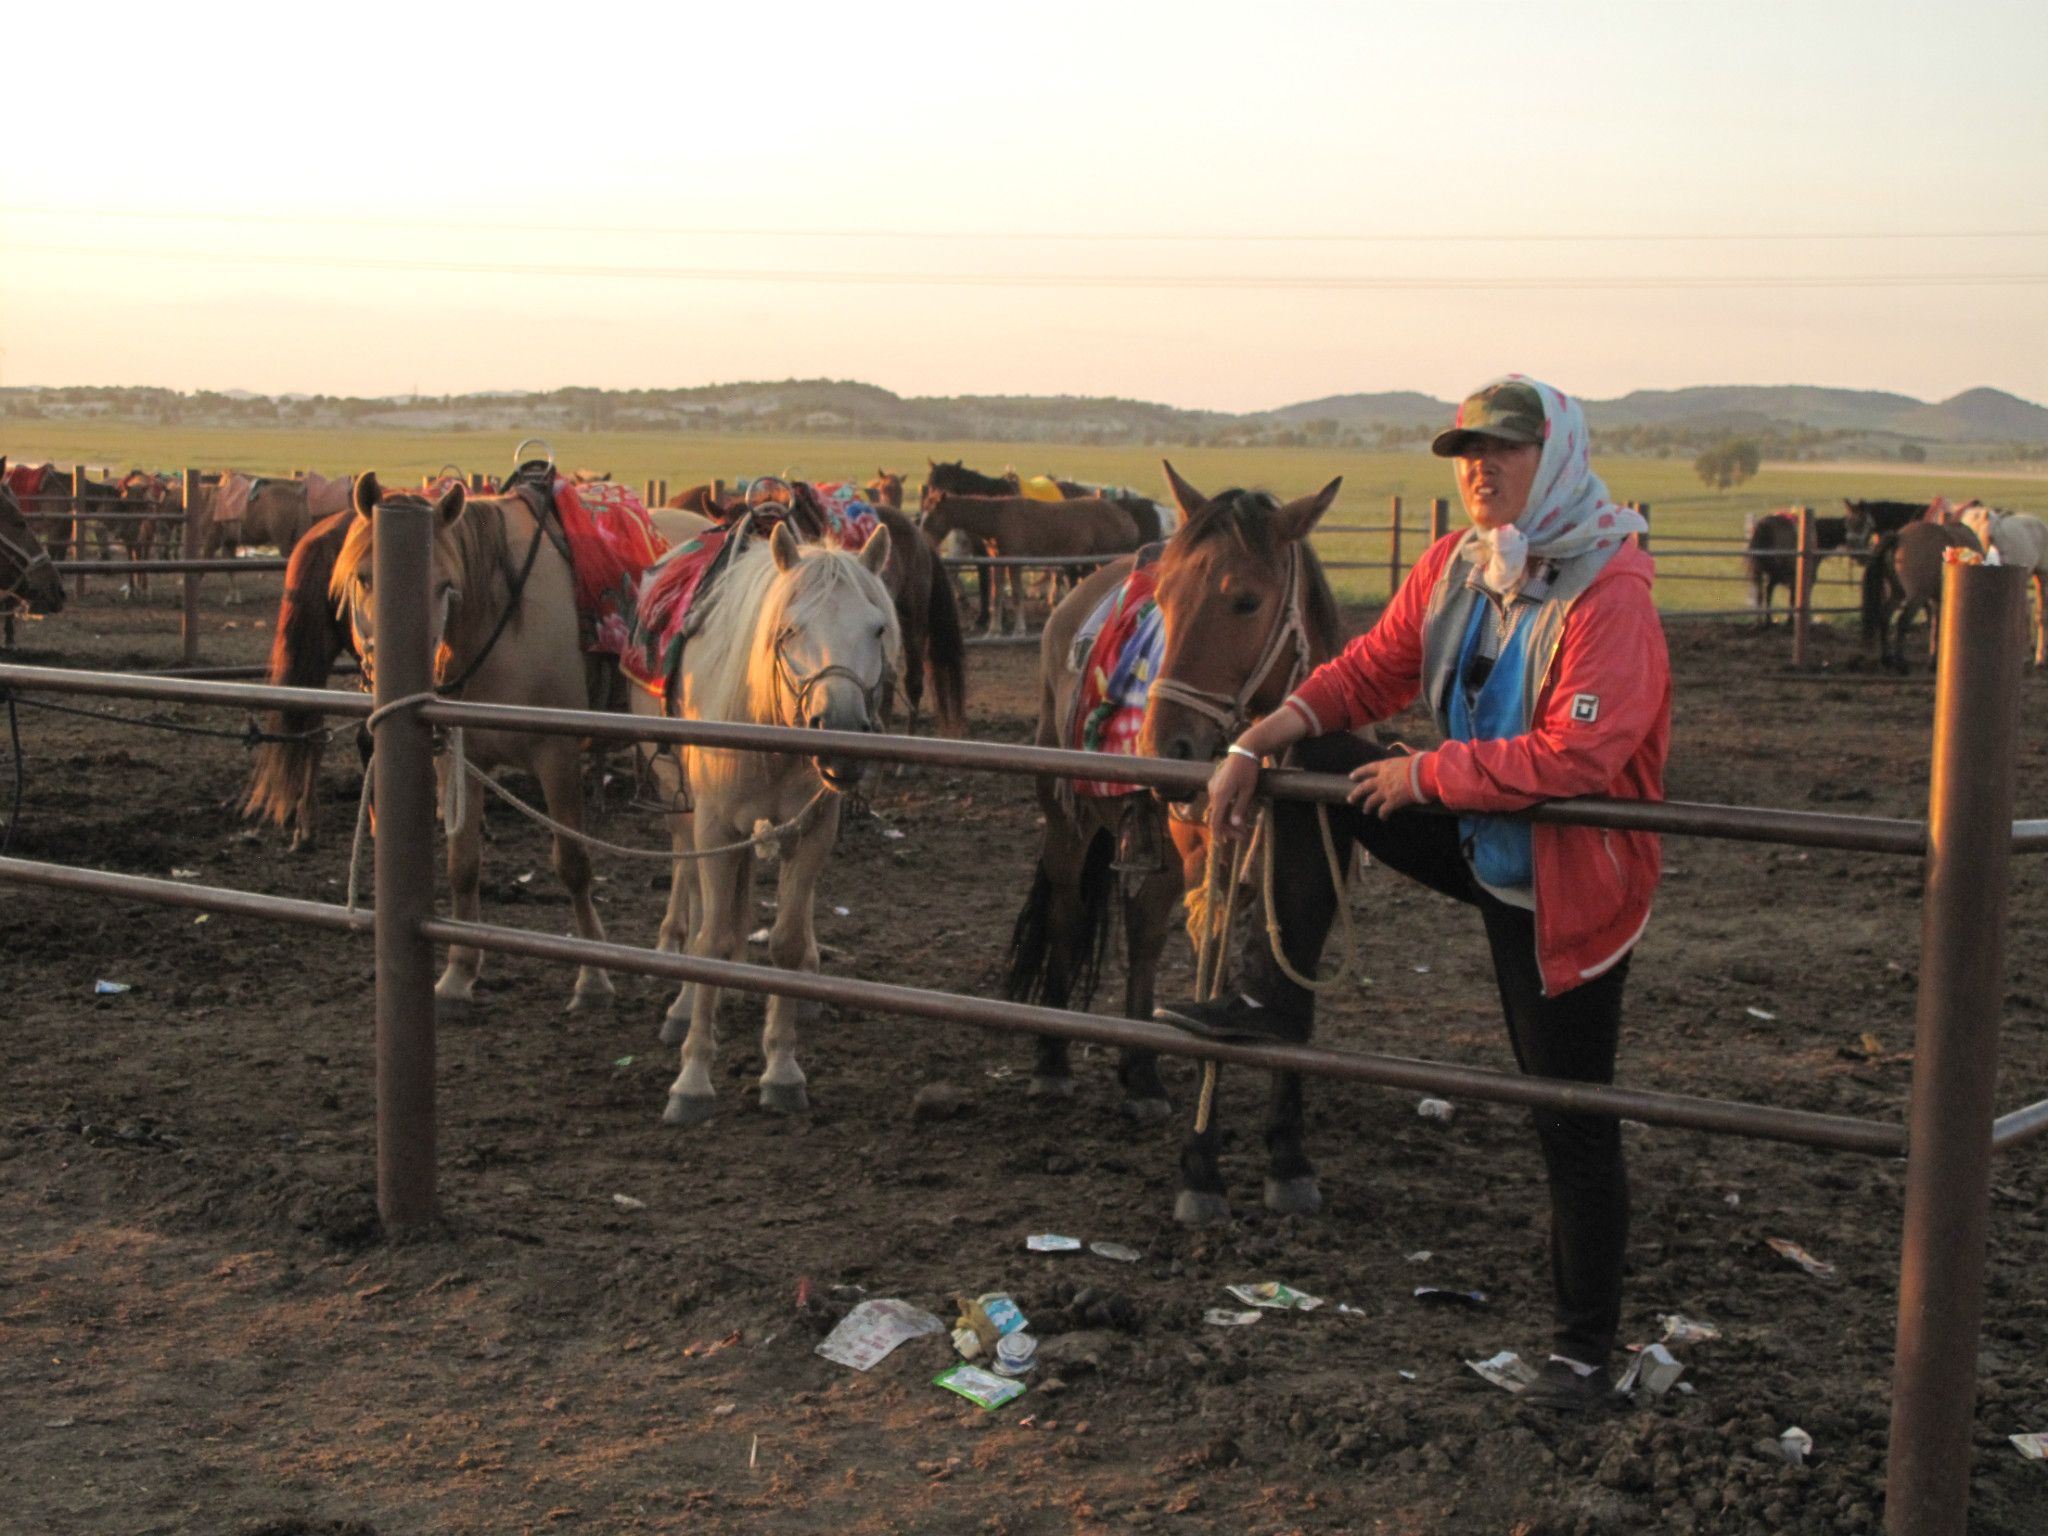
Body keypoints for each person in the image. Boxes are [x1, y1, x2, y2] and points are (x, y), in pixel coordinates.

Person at [1154, 375, 1669, 1413]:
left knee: (1567, 1113)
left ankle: (1580, 1355)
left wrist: (1424, 777)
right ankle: (1268, 997)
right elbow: (1363, 674)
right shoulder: (1456, 567)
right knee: (1322, 760)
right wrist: (1256, 740)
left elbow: (1580, 752)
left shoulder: (1608, 593)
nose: (1477, 468)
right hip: (1482, 837)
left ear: (1554, 458)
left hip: (1559, 887)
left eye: (1503, 450)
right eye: (1464, 451)